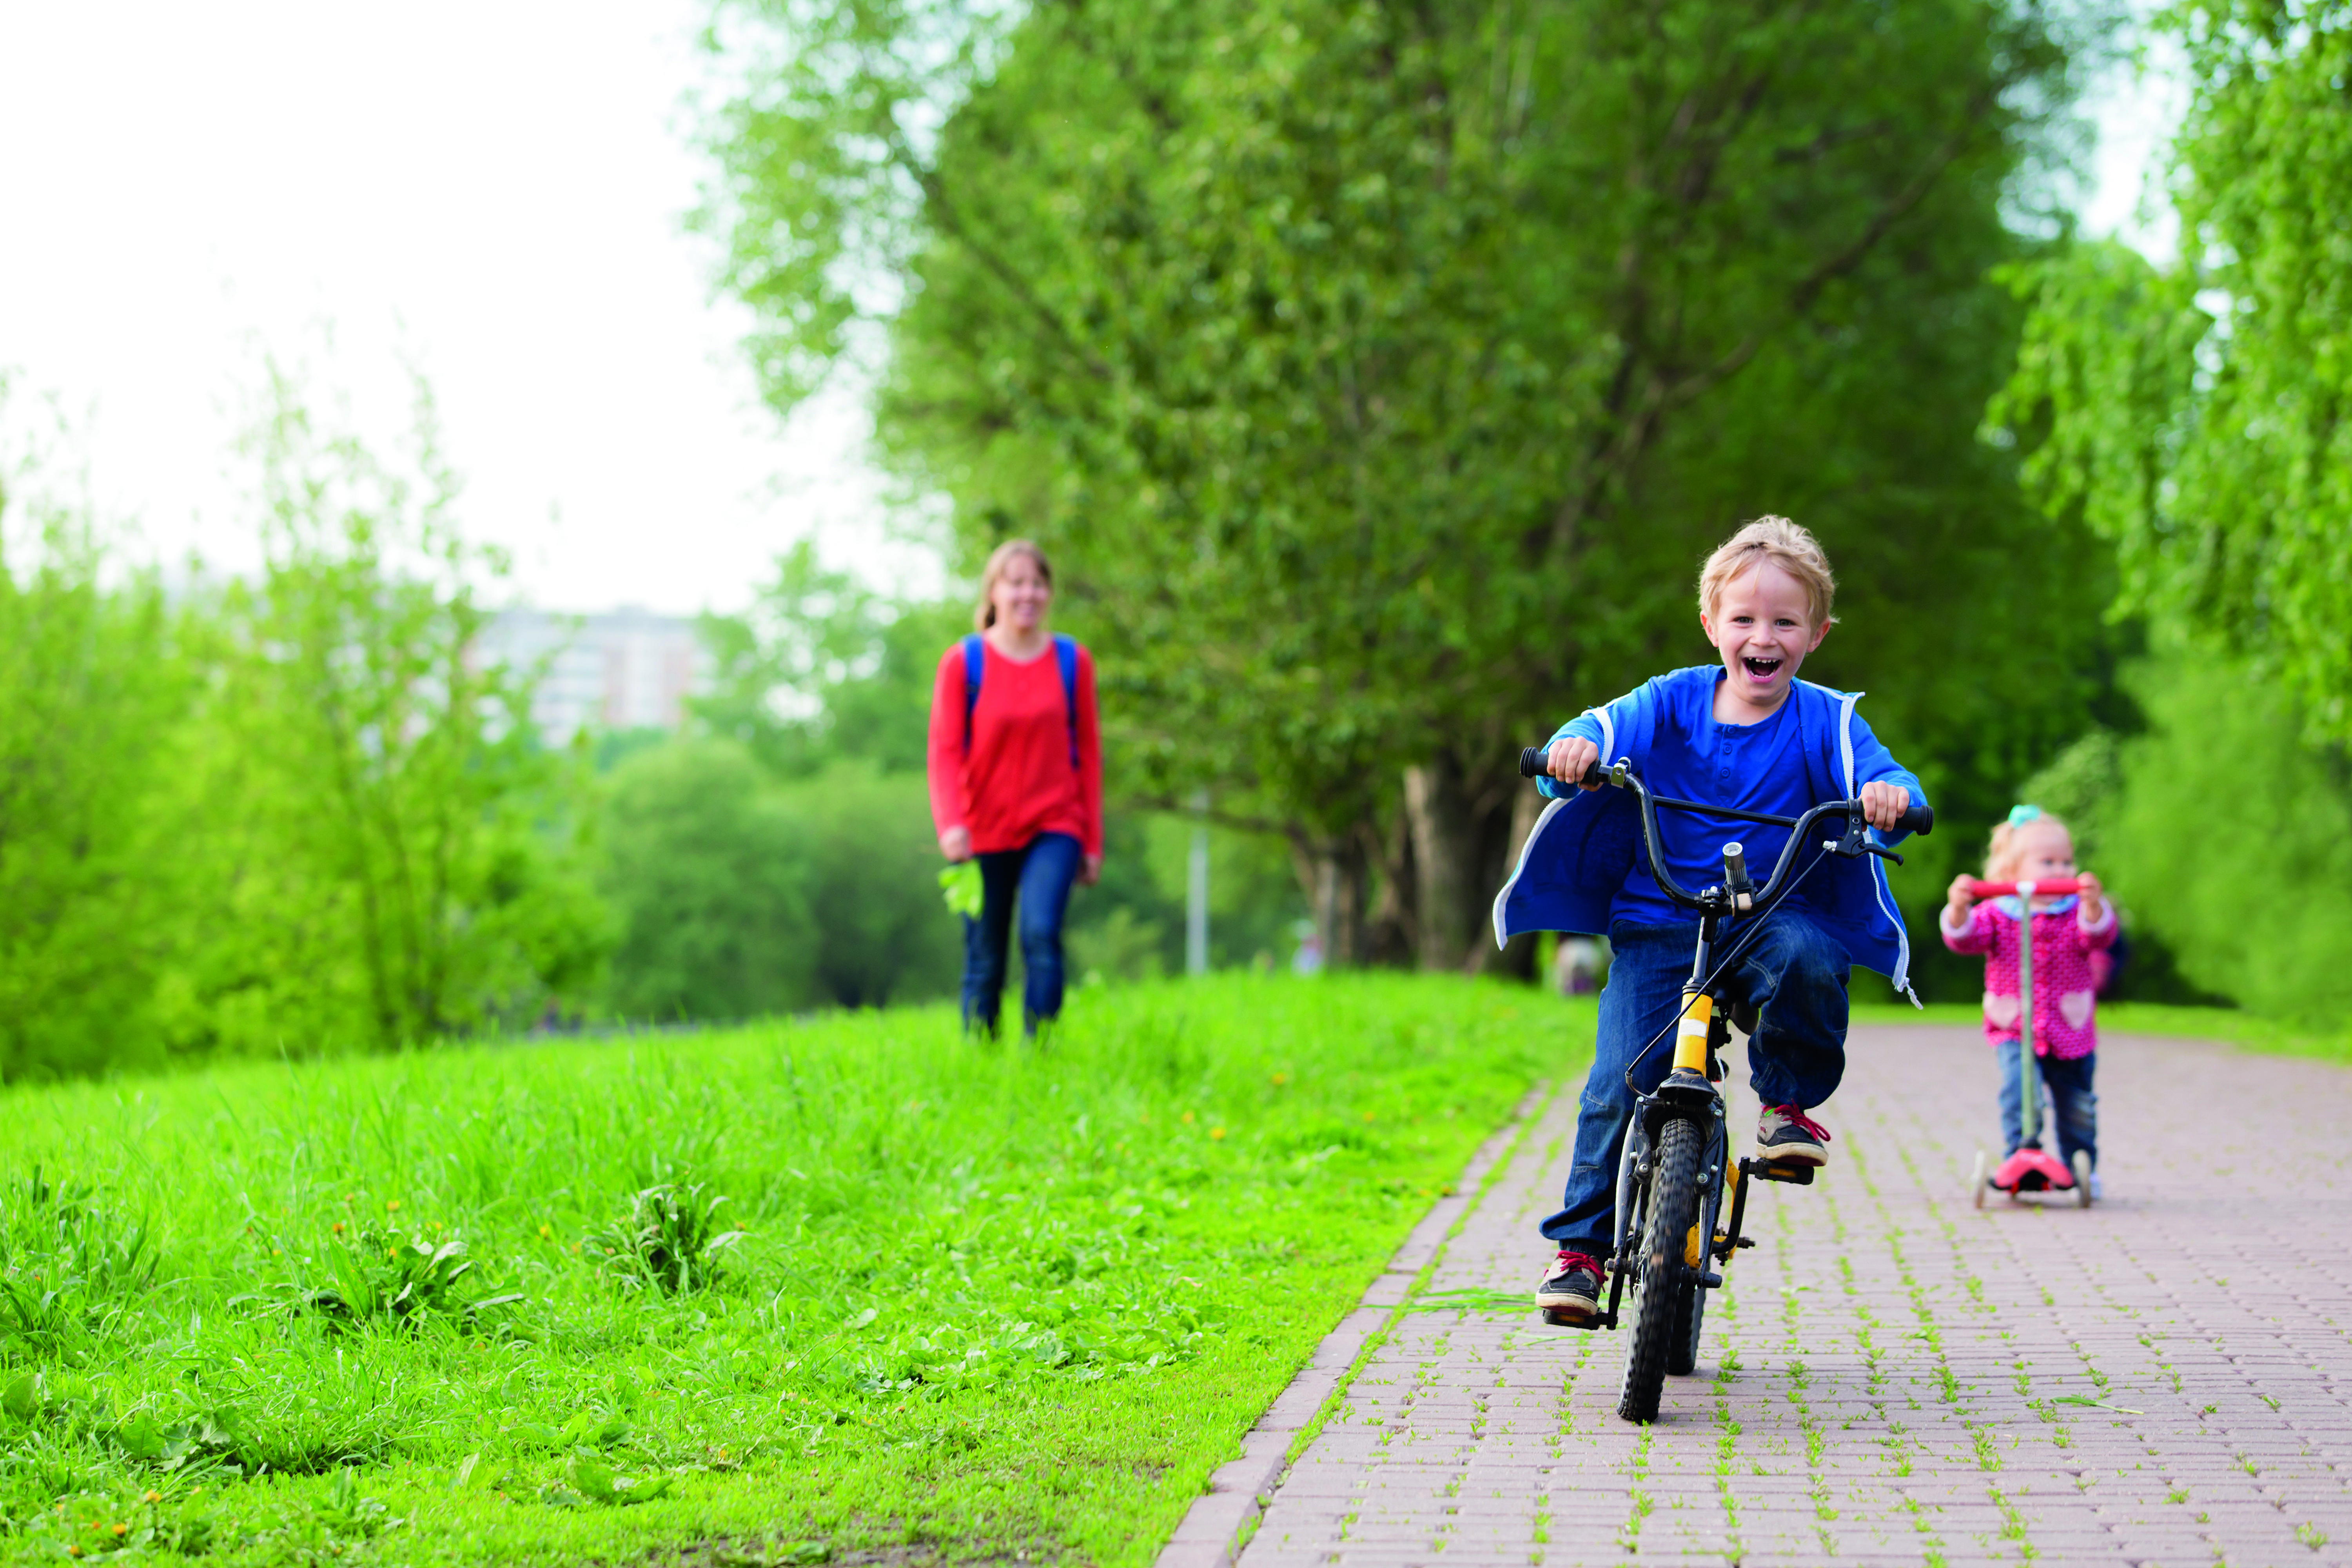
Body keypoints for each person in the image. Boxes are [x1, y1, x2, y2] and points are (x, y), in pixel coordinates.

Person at [1491, 517, 1927, 1327]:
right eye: (1745, 619)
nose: (1763, 637)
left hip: (1768, 917)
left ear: (1817, 634)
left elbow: (1885, 776)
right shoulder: (1671, 699)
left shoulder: (1825, 719)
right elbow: (1601, 727)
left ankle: (1788, 1106)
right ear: (1711, 624)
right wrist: (1574, 750)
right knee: (1617, 1079)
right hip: (1660, 920)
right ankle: (1581, 1251)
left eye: (1785, 622)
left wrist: (1891, 797)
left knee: (1810, 954)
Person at [926, 540, 1102, 1038]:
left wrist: (1092, 843)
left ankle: (1040, 1054)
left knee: (1041, 934)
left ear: (1049, 592)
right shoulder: (964, 662)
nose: (1028, 593)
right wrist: (951, 823)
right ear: (995, 591)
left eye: (1038, 582)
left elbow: (1088, 754)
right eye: (1017, 582)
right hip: (982, 828)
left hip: (1056, 823)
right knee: (986, 956)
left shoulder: (1072, 661)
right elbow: (943, 750)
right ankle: (982, 1061)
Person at [1939, 806, 2114, 1197]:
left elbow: (2099, 937)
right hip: (2015, 1027)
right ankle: (2021, 1151)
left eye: (2067, 861)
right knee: (2020, 1093)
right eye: (2048, 862)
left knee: (2078, 1104)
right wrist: (1959, 908)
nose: (2061, 870)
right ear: (2012, 870)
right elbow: (1963, 939)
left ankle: (2082, 1162)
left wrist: (2093, 905)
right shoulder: (1998, 914)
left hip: (2069, 1029)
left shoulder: (2074, 913)